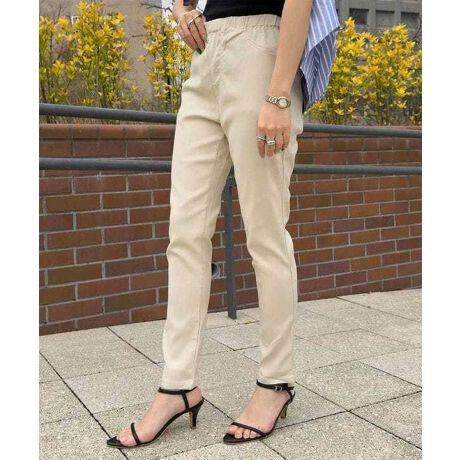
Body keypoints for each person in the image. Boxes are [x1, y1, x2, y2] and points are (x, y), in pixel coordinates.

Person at [107, 0, 339, 449]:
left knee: (266, 234)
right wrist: (179, 10)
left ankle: (275, 382)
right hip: (206, 56)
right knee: (184, 235)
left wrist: (278, 94)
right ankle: (178, 385)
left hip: (262, 50)